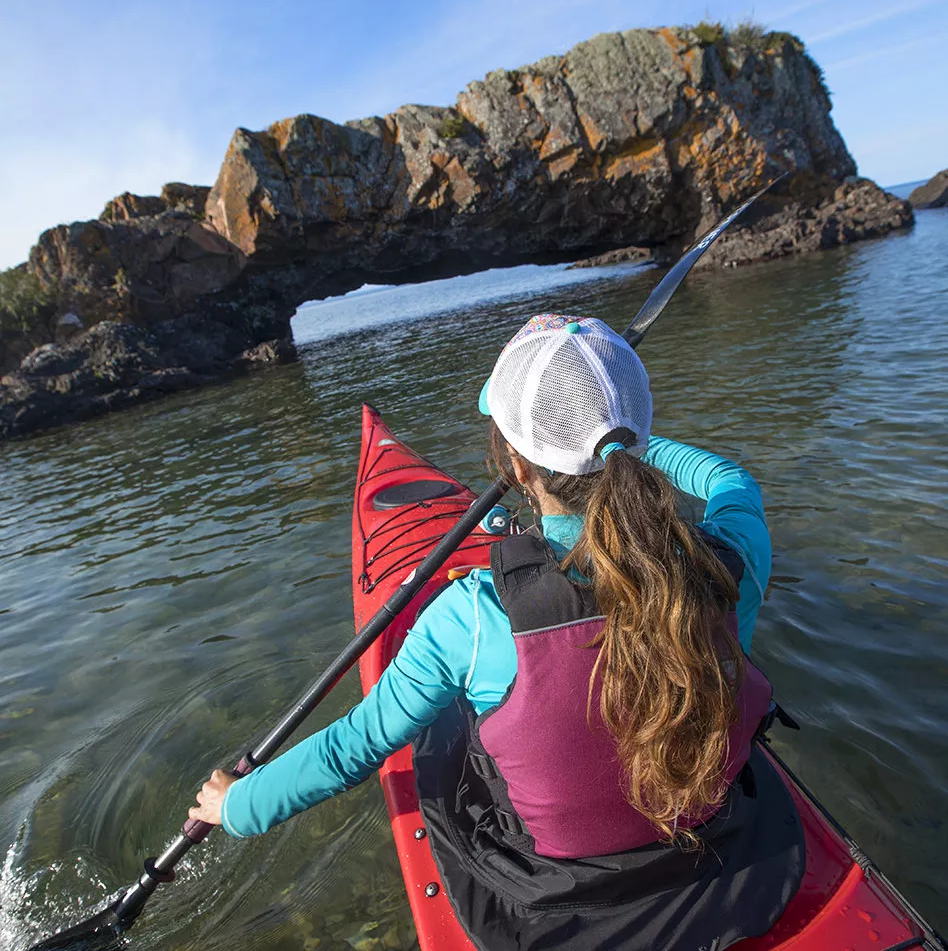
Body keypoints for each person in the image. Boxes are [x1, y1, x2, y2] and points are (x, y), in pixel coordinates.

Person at [192, 314, 804, 950]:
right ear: (639, 440)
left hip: (571, 903)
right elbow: (731, 482)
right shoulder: (733, 553)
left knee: (448, 733)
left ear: (515, 462)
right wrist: (620, 444)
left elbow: (358, 744)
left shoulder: (472, 615)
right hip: (734, 853)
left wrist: (237, 805)